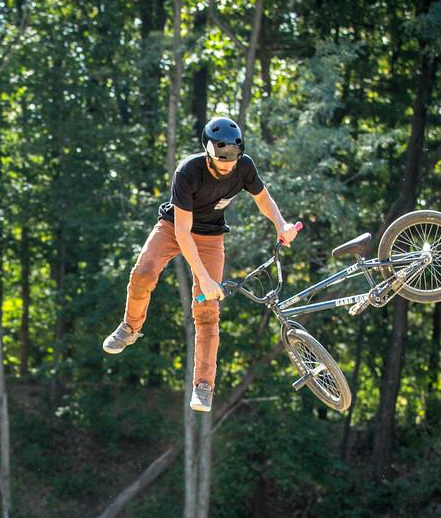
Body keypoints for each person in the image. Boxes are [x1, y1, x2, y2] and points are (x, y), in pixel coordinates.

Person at [101, 117, 302, 413]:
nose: (227, 166)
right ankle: (130, 327)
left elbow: (262, 198)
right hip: (174, 228)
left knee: (207, 310)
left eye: (232, 160)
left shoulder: (244, 167)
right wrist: (204, 278)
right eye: (221, 160)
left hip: (211, 235)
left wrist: (281, 224)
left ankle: (204, 385)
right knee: (143, 272)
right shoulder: (188, 172)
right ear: (208, 153)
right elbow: (183, 233)